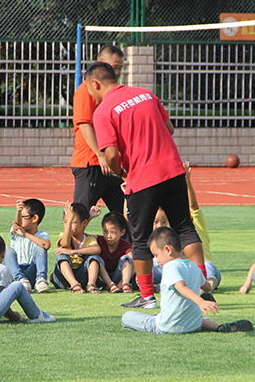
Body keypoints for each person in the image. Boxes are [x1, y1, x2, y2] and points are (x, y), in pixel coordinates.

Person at [89, 61, 208, 310]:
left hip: (143, 178)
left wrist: (121, 170)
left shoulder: (102, 111)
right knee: (185, 227)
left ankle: (147, 298)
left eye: (90, 90)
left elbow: (110, 155)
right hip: (173, 169)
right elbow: (169, 129)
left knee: (140, 239)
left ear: (95, 84)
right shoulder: (145, 93)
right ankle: (202, 287)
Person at [122, 227, 253, 334]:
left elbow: (181, 287)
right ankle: (218, 327)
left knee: (127, 317)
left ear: (168, 249)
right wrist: (204, 296)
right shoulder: (194, 266)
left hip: (168, 327)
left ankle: (162, 318)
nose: (156, 260)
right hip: (193, 325)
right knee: (200, 319)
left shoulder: (169, 267)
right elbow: (207, 287)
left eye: (156, 255)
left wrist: (201, 301)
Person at [71, 45, 125, 215]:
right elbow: (84, 124)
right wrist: (100, 154)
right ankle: (67, 242)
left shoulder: (112, 93)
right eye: (114, 67)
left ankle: (131, 242)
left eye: (120, 68)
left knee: (126, 214)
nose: (116, 72)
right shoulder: (87, 90)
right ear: (101, 63)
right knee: (79, 216)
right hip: (91, 164)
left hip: (109, 163)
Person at [183, 161, 222, 291]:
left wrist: (187, 181)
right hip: (186, 271)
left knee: (209, 265)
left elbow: (193, 205)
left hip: (205, 269)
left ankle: (207, 285)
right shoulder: (172, 227)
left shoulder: (196, 222)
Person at [51, 202, 103, 293]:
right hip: (63, 280)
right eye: (65, 222)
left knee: (94, 257)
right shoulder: (63, 235)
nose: (68, 225)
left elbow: (97, 249)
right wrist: (70, 220)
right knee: (62, 257)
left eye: (73, 222)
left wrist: (73, 251)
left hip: (82, 277)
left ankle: (91, 285)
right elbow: (66, 244)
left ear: (84, 223)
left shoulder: (88, 239)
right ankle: (74, 285)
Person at [3, 198, 51, 294]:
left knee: (40, 248)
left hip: (32, 271)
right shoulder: (16, 230)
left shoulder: (42, 234)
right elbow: (17, 224)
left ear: (35, 218)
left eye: (23, 216)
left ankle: (41, 281)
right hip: (16, 271)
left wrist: (25, 234)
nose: (20, 219)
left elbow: (46, 245)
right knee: (7, 250)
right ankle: (21, 280)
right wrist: (18, 212)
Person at [96, 211, 134, 293]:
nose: (108, 236)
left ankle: (125, 284)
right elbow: (82, 234)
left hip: (119, 275)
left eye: (113, 232)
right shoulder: (99, 240)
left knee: (127, 259)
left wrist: (121, 283)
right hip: (102, 277)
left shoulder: (125, 244)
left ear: (122, 232)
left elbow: (134, 262)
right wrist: (90, 217)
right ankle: (111, 285)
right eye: (105, 231)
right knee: (96, 259)